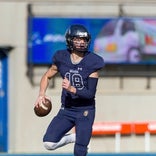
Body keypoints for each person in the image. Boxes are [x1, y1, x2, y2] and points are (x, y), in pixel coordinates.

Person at [34, 24, 105, 156]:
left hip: (85, 110)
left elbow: (90, 94)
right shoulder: (61, 58)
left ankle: (81, 141)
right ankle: (74, 137)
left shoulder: (92, 61)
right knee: (49, 143)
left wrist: (72, 89)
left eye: (84, 39)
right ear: (70, 40)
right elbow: (47, 75)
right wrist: (41, 94)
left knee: (80, 151)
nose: (81, 42)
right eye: (78, 39)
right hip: (67, 109)